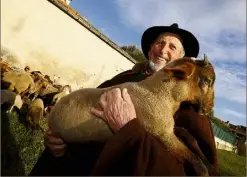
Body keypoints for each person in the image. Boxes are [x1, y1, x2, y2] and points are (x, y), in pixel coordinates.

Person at [29, 23, 219, 176]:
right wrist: (56, 139)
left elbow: (185, 169)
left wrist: (129, 129)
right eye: (159, 43)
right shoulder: (124, 78)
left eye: (172, 47)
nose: (162, 50)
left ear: (181, 59)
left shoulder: (191, 109)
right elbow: (79, 113)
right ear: (151, 48)